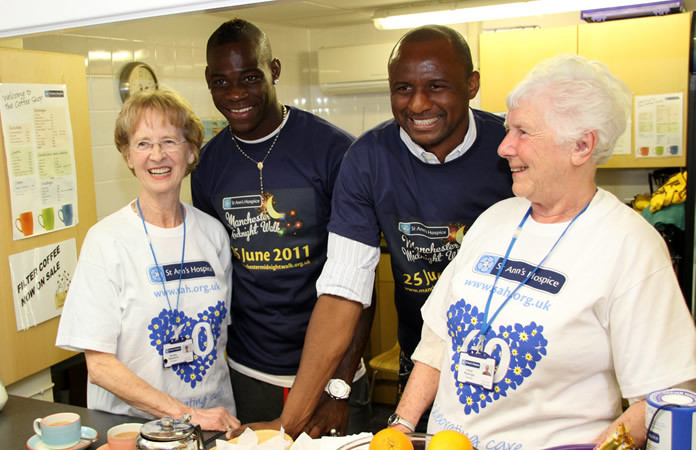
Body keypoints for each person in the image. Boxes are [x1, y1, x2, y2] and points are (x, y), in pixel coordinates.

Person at [391, 54, 696, 448]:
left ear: (582, 146)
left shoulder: (631, 246)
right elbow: (438, 337)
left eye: (523, 132)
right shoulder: (494, 219)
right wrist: (401, 426)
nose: (504, 147)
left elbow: (662, 396)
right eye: (508, 129)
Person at [267, 25, 514, 436]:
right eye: (403, 88)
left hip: (511, 361)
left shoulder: (510, 148)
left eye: (436, 86)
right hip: (420, 364)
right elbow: (344, 292)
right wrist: (289, 423)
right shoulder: (367, 160)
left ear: (471, 85)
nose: (418, 104)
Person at [191, 18, 373, 436]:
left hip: (334, 377)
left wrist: (339, 388)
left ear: (273, 70)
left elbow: (361, 285)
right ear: (208, 81)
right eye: (221, 82)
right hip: (250, 375)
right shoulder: (207, 166)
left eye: (249, 78)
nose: (235, 94)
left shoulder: (334, 151)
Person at [56, 90, 240, 434]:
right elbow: (99, 367)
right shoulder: (105, 241)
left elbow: (220, 336)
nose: (157, 155)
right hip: (137, 430)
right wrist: (185, 413)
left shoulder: (213, 233)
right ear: (128, 155)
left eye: (169, 141)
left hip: (214, 425)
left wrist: (200, 418)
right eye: (143, 144)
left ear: (191, 151)